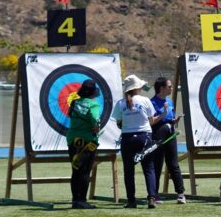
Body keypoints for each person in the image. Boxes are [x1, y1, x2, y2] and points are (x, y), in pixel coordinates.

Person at [111, 74, 161, 208]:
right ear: (138, 87)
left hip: (127, 139)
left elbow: (119, 123)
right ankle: (151, 198)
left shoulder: (121, 103)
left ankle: (131, 200)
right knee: (149, 168)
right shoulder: (145, 100)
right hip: (144, 137)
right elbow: (151, 121)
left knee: (128, 171)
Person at [67, 79, 103, 209]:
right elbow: (95, 120)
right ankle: (82, 200)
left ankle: (75, 200)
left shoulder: (74, 102)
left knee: (76, 169)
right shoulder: (93, 104)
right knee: (85, 170)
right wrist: (95, 127)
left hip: (72, 140)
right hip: (87, 141)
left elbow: (70, 114)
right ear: (93, 92)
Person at [149, 77, 185, 204]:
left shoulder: (169, 101)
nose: (171, 88)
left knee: (173, 164)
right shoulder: (152, 102)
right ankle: (155, 195)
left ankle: (181, 194)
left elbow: (170, 117)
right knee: (157, 165)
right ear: (162, 88)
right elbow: (151, 121)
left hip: (170, 134)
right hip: (158, 135)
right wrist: (163, 113)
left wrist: (174, 120)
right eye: (169, 86)